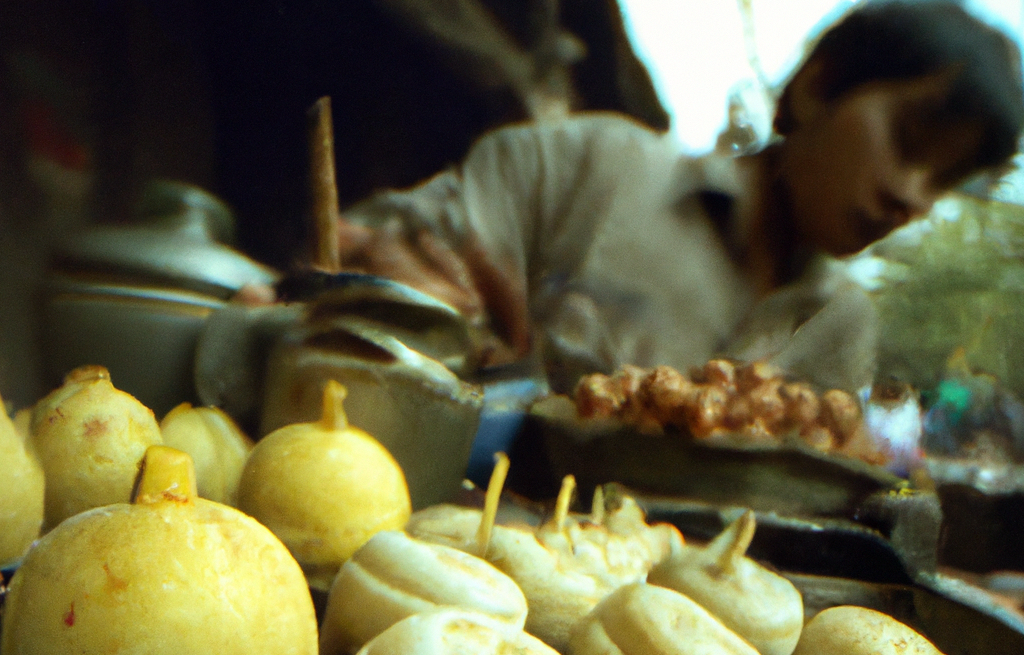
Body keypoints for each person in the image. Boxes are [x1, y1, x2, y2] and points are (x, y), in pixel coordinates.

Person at [331, 0, 1024, 395]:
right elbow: (355, 264)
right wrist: (387, 282)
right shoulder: (589, 168)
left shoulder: (839, 333)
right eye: (908, 142)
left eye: (942, 183)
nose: (911, 197)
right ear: (818, 86)